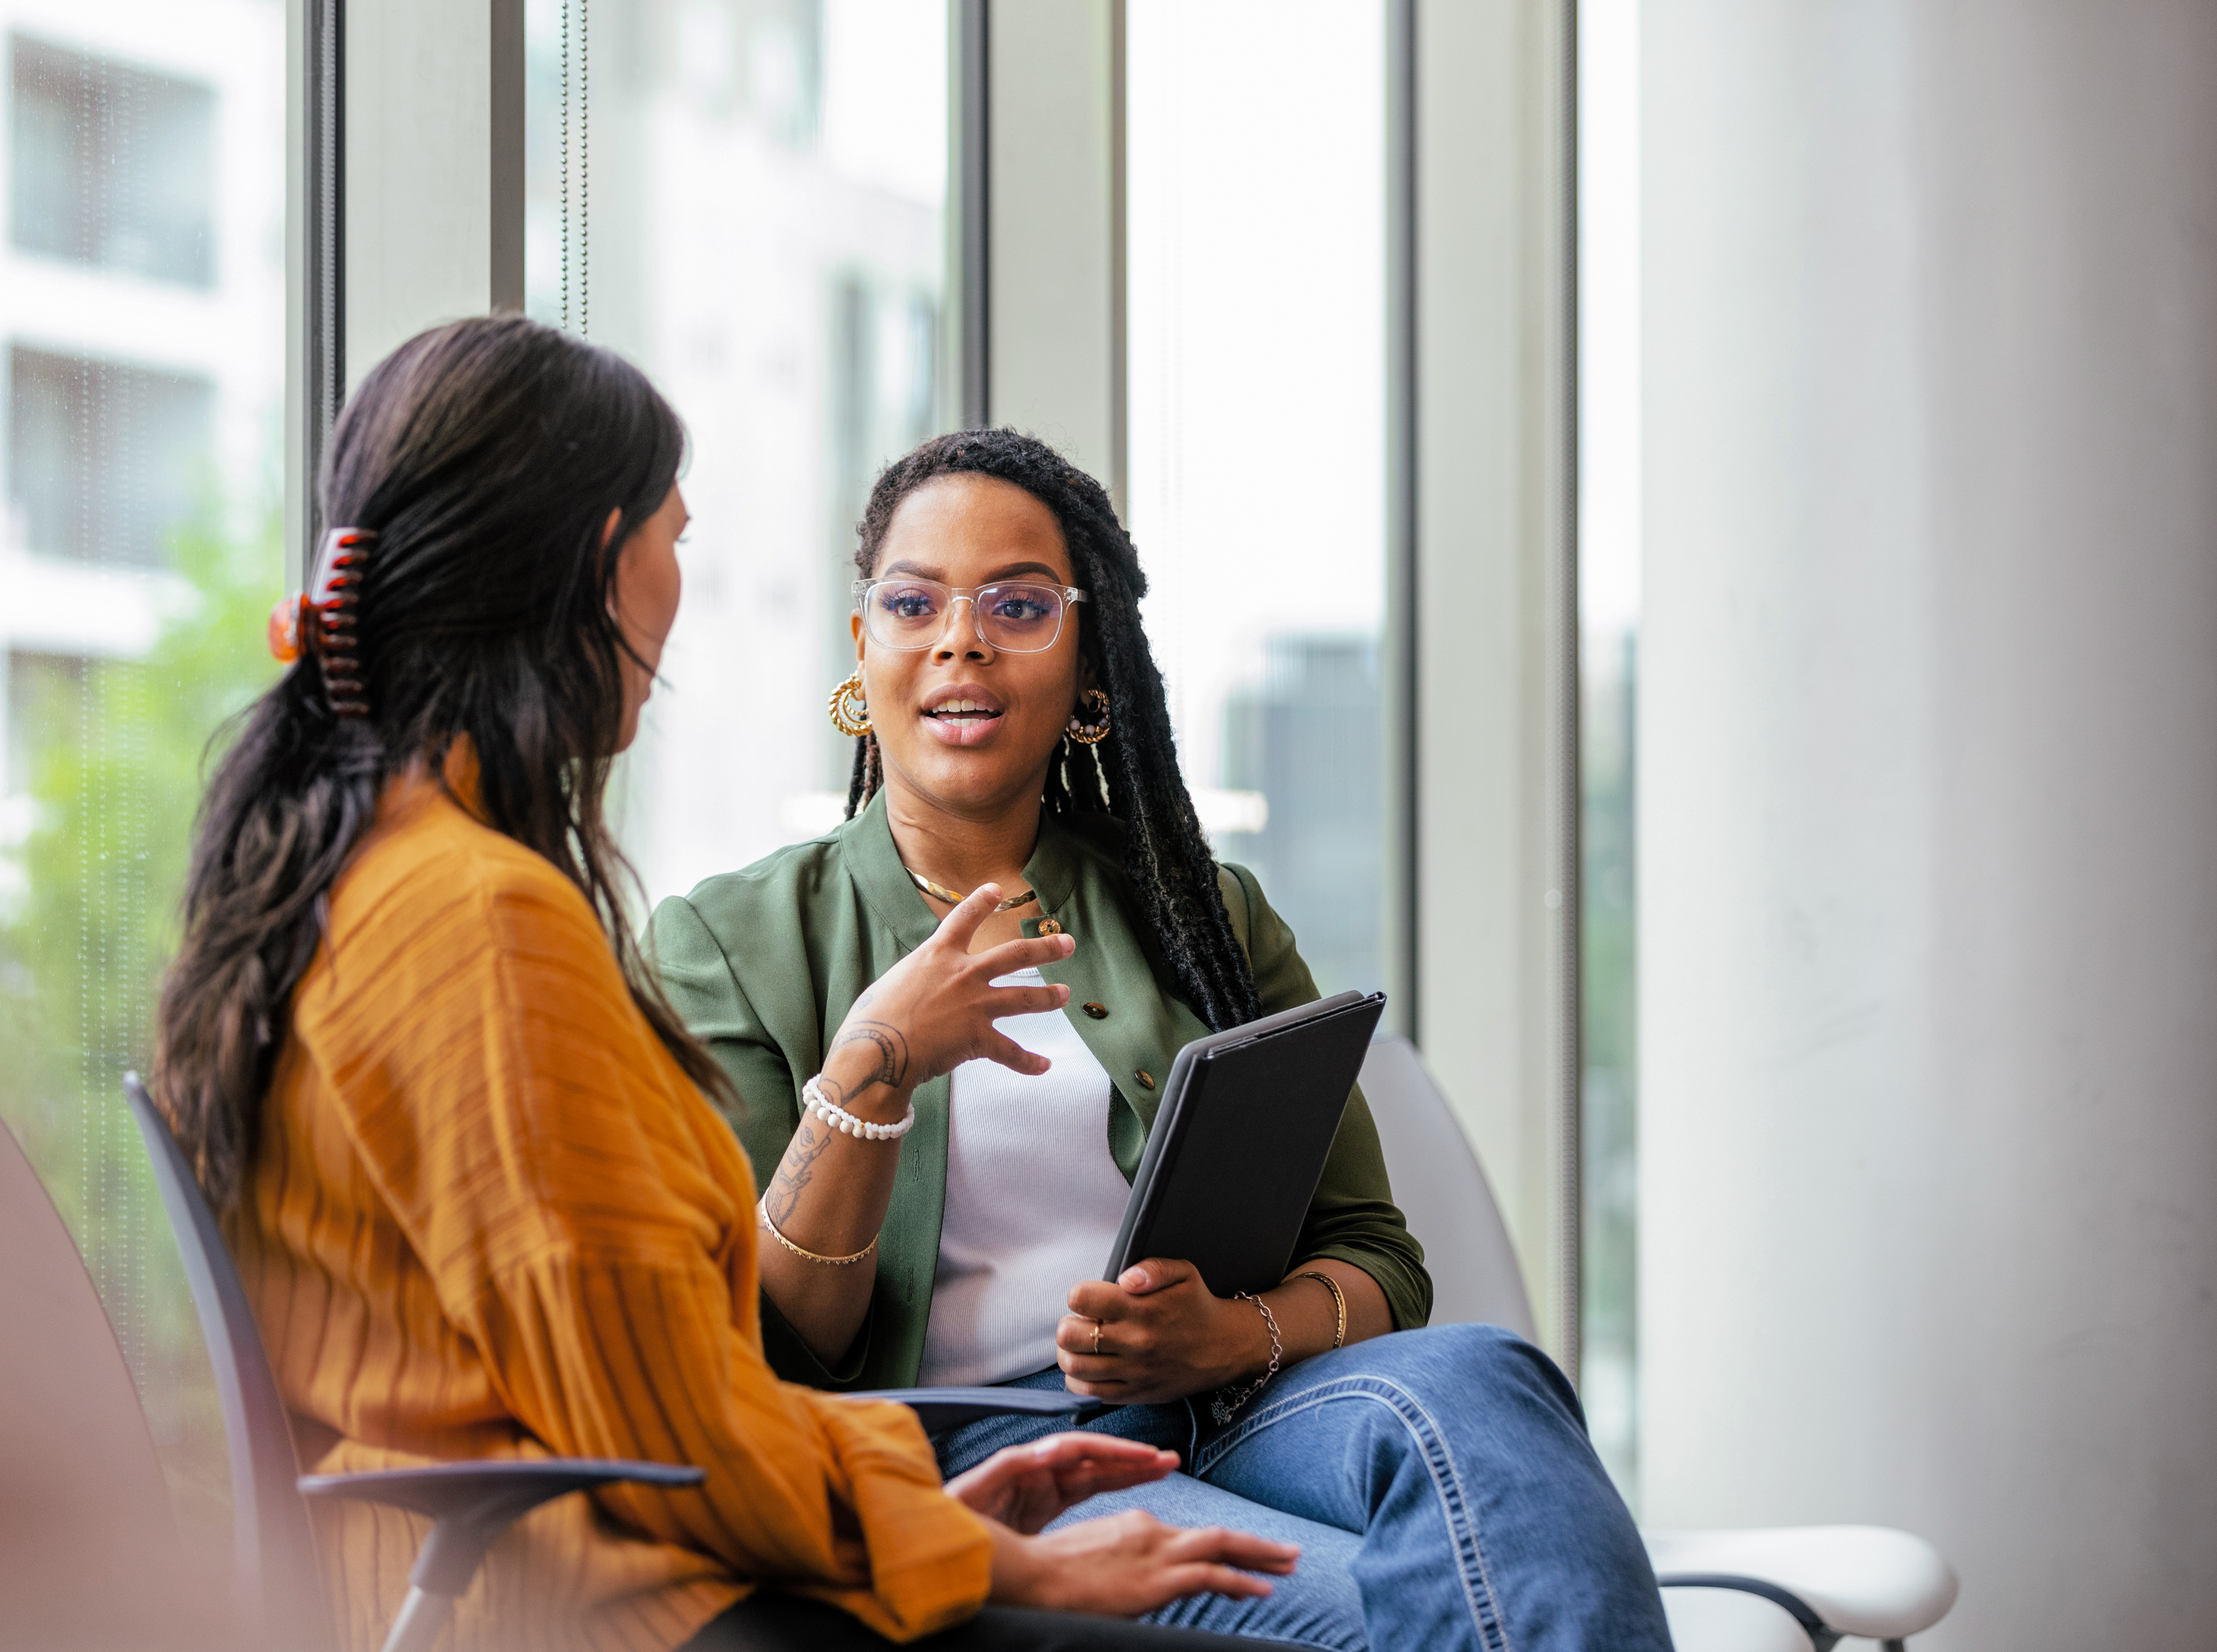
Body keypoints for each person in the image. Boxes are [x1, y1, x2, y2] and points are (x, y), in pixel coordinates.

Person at [148, 318, 1303, 1652]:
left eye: (1017, 606)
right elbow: (659, 1421)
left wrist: (933, 1517)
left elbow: (655, 1393)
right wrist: (985, 1559)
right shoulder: (481, 925)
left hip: (568, 1561)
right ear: (603, 565)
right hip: (596, 1604)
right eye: (676, 540)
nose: (960, 646)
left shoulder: (365, 879)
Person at [646, 429, 1674, 1652]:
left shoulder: (1204, 915)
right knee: (1373, 1618)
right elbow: (779, 1340)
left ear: (1089, 670)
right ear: (862, 650)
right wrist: (873, 1061)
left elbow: (1376, 1261)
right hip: (989, 1445)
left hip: (1254, 1405)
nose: (959, 637)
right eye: (912, 601)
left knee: (1489, 1379)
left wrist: (1227, 1336)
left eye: (1018, 604)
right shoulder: (724, 939)